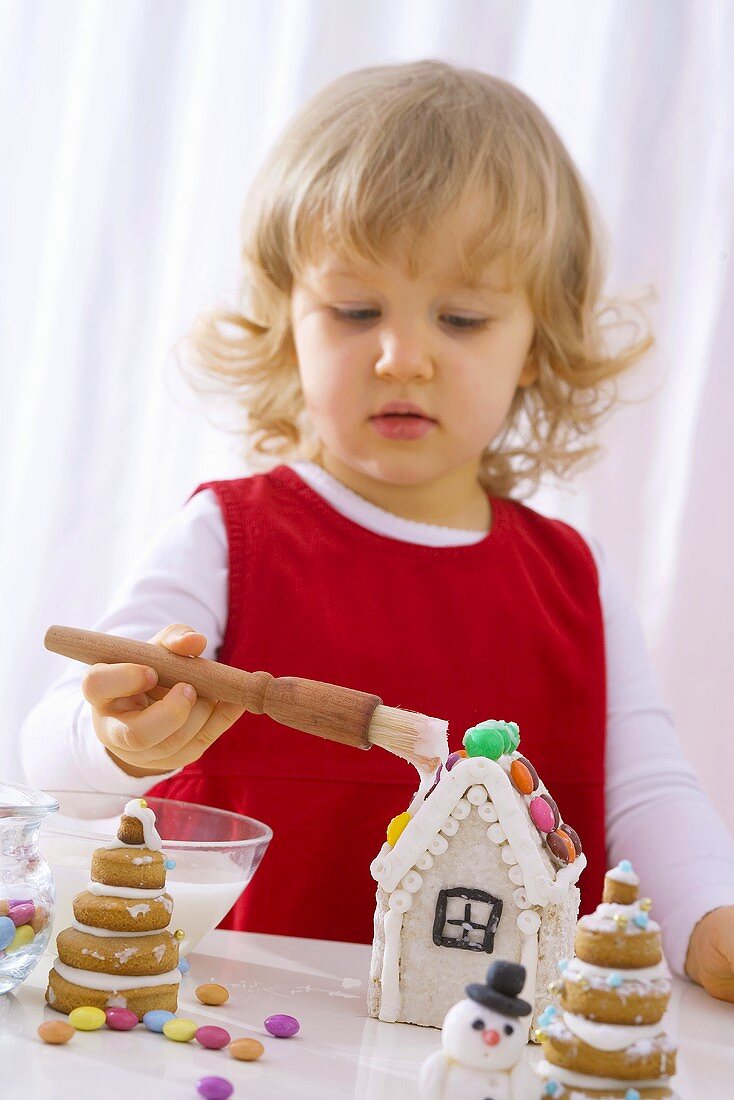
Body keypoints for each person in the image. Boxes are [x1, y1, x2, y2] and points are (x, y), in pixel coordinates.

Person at [21, 60, 734, 1002]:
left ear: (537, 342)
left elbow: (648, 797)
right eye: (356, 311)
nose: (402, 356)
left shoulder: (572, 578)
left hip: (489, 1051)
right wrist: (116, 743)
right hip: (235, 1034)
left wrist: (712, 923)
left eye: (463, 317)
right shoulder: (229, 536)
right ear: (289, 322)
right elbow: (50, 761)